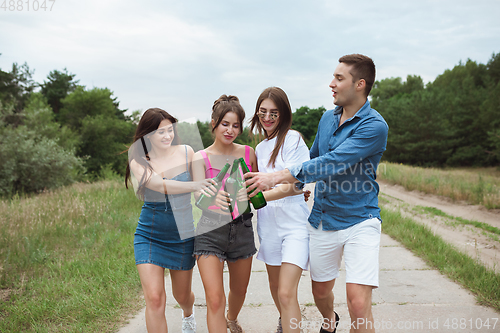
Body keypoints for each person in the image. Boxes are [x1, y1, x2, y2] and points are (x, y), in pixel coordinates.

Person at [244, 54, 389, 333]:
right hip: (323, 221)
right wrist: (293, 187)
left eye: (338, 78)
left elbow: (331, 162)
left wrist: (275, 176)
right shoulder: (327, 118)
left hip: (361, 219)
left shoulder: (374, 126)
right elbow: (311, 167)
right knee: (321, 294)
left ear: (359, 84)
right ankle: (329, 320)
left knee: (358, 303)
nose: (331, 84)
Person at [125, 108, 216, 333]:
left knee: (182, 296)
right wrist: (195, 184)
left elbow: (200, 194)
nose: (167, 136)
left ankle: (188, 313)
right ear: (147, 135)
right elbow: (158, 185)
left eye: (169, 130)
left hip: (183, 234)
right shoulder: (138, 158)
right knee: (155, 299)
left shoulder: (186, 152)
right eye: (159, 132)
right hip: (150, 234)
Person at [191, 95, 257, 333]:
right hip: (210, 231)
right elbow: (198, 197)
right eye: (225, 124)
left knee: (239, 291)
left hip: (242, 230)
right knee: (215, 298)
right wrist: (210, 200)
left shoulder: (249, 153)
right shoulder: (201, 157)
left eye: (236, 125)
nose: (230, 130)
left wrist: (247, 196)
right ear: (214, 123)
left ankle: (231, 318)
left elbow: (257, 188)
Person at [249, 87, 310, 333]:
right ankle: (286, 324)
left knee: (286, 292)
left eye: (274, 113)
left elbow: (297, 185)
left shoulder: (293, 139)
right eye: (263, 112)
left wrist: (262, 194)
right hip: (268, 226)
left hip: (294, 225)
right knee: (276, 291)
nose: (267, 117)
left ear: (283, 115)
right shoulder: (259, 149)